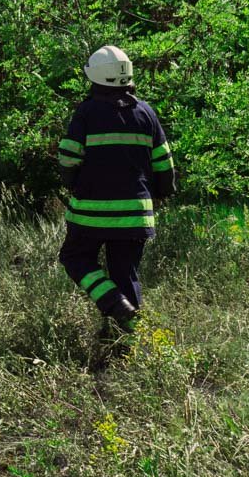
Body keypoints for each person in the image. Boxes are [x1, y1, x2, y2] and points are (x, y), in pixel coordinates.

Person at [56, 46, 176, 334]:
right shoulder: (146, 113)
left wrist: (72, 183)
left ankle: (114, 303)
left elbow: (69, 158)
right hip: (136, 214)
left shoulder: (86, 112)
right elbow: (164, 162)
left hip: (90, 214)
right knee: (126, 274)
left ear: (96, 77)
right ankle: (129, 341)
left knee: (74, 258)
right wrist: (161, 192)